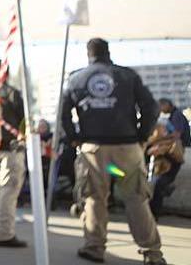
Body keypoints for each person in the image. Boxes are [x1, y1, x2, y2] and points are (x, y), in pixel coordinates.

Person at [61, 38, 165, 265]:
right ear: (108, 52)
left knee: (94, 199)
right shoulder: (127, 76)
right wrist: (142, 135)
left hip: (94, 149)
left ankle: (94, 248)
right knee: (136, 198)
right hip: (127, 147)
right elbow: (151, 107)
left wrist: (74, 138)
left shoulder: (76, 78)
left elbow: (63, 113)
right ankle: (152, 253)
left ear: (88, 54)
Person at [0, 60, 28, 248]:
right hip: (10, 149)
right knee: (8, 190)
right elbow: (25, 122)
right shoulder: (12, 93)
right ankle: (4, 233)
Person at [148, 98, 190, 219]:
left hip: (172, 155)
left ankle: (154, 213)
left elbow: (176, 135)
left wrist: (158, 140)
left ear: (166, 105)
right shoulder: (173, 116)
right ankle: (154, 211)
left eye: (161, 107)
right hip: (170, 156)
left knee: (159, 184)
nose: (161, 110)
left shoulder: (176, 116)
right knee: (158, 184)